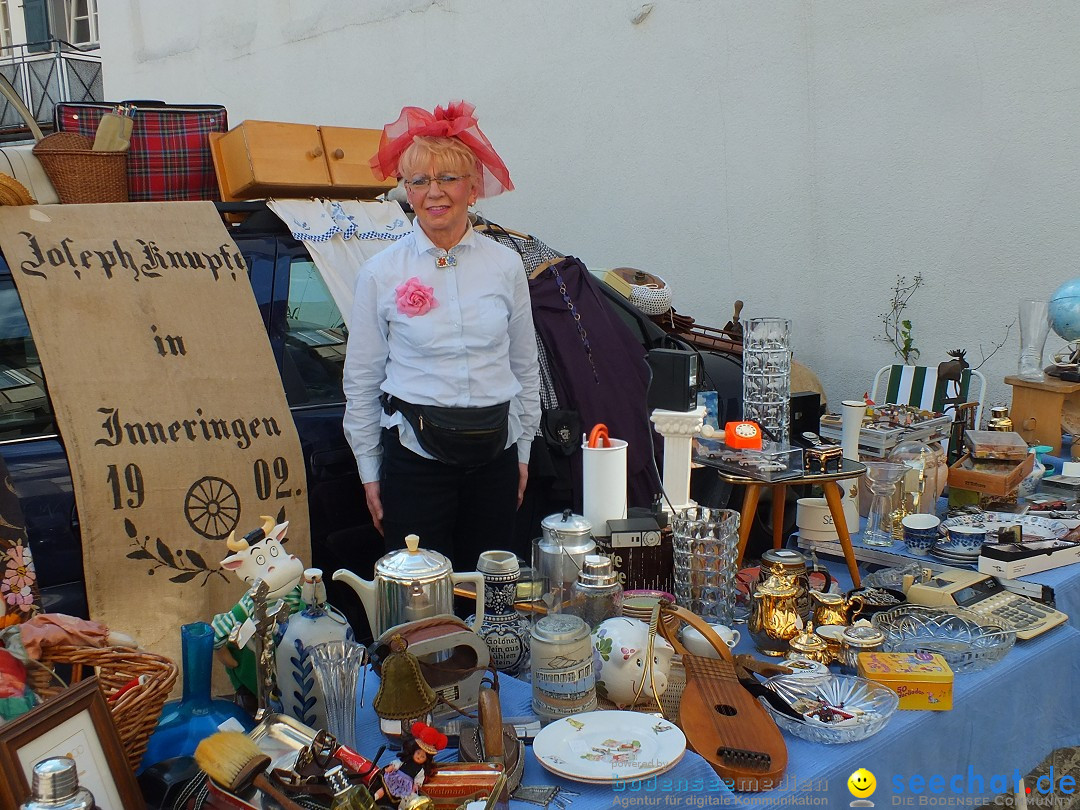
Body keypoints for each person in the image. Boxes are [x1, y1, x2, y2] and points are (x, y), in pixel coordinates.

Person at [343, 101, 540, 569]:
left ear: (472, 188)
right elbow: (362, 380)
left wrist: (524, 450)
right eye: (420, 181)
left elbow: (524, 366)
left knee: (490, 595)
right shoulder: (381, 273)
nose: (435, 193)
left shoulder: (506, 265)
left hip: (496, 457)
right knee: (418, 602)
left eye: (448, 179)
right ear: (406, 192)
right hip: (414, 464)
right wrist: (370, 471)